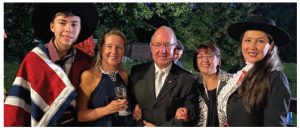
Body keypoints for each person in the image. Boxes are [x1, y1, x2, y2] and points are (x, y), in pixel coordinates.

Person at [4, 3, 98, 126]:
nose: (69, 29)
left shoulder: (85, 62)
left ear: (80, 29)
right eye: (62, 23)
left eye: (74, 24)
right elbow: (20, 103)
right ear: (52, 26)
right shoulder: (34, 59)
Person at [219, 15, 291, 126]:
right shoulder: (235, 73)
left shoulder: (275, 78)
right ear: (242, 42)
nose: (252, 47)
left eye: (260, 41)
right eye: (247, 40)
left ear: (271, 46)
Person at [129, 26, 199, 126]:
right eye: (157, 45)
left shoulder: (188, 80)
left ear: (175, 48)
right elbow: (129, 102)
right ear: (151, 46)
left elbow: (191, 117)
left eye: (167, 45)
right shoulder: (137, 72)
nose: (162, 50)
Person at [77, 29, 134, 126]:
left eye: (119, 47)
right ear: (102, 49)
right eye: (109, 46)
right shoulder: (89, 76)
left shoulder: (124, 75)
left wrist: (137, 108)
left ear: (123, 51)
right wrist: (107, 110)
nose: (114, 51)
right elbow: (80, 116)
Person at [175, 43, 232, 127]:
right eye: (200, 57)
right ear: (196, 62)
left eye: (209, 55)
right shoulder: (193, 84)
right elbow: (190, 113)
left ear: (218, 60)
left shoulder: (232, 82)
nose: (205, 60)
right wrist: (182, 113)